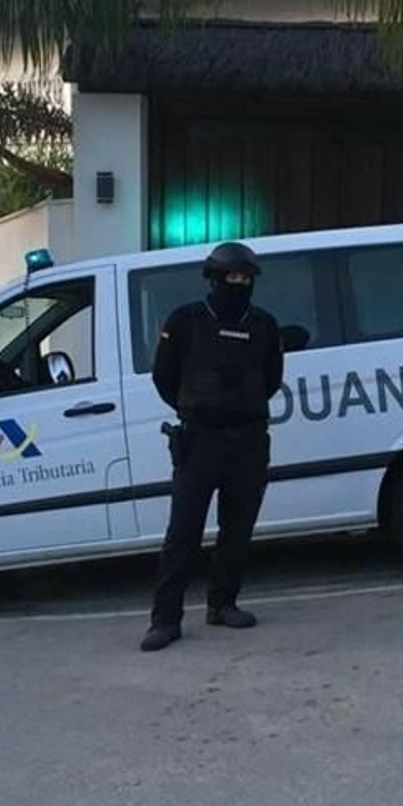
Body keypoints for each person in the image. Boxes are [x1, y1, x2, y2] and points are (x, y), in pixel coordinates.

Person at [142, 242, 284, 652]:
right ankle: (165, 620)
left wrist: (238, 408)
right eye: (231, 278)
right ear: (213, 279)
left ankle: (223, 604)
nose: (238, 284)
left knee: (237, 530)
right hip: (200, 440)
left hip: (249, 441)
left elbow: (271, 378)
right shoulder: (185, 321)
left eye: (245, 278)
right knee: (183, 533)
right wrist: (198, 409)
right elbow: (164, 377)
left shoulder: (263, 325)